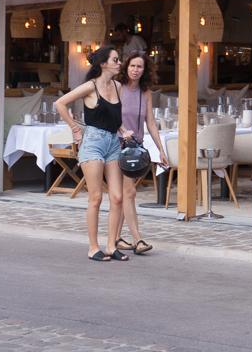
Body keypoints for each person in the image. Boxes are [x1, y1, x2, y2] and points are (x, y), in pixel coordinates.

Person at [55, 46, 132, 262]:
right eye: (115, 60)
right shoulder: (90, 87)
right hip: (93, 143)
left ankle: (110, 246)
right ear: (103, 64)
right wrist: (75, 128)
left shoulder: (117, 86)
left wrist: (124, 130)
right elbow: (60, 103)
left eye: (119, 59)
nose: (119, 63)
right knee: (96, 198)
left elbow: (114, 117)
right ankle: (93, 247)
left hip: (113, 142)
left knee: (117, 197)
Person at [112, 51, 168, 256]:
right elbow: (110, 116)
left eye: (139, 67)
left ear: (145, 70)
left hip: (136, 148)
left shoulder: (145, 92)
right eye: (132, 66)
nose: (135, 70)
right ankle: (138, 240)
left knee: (124, 195)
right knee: (130, 192)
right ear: (126, 67)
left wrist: (161, 149)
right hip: (117, 145)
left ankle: (116, 238)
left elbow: (150, 122)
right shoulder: (117, 87)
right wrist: (122, 131)